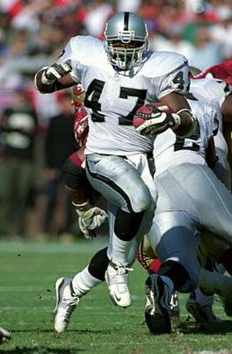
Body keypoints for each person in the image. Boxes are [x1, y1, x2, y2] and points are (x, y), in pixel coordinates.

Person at [34, 11, 198, 332]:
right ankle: (119, 270)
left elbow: (185, 116)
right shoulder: (86, 55)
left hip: (141, 161)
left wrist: (171, 120)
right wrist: (50, 72)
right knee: (137, 201)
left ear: (145, 43)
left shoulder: (160, 66)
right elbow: (43, 85)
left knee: (122, 239)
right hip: (102, 155)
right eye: (118, 45)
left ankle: (72, 289)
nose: (124, 51)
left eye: (132, 45)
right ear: (105, 43)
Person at [136, 96, 232, 334]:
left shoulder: (144, 109)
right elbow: (211, 157)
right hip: (194, 173)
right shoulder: (205, 106)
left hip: (159, 191)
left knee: (180, 264)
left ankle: (164, 284)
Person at [0, 85, 38, 237]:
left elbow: (33, 134)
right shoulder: (8, 111)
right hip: (9, 158)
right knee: (6, 194)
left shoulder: (31, 112)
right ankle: (2, 229)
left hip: (25, 159)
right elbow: (2, 129)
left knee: (23, 195)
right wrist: (20, 130)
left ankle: (19, 230)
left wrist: (13, 128)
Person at [42, 91, 78, 237]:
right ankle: (45, 230)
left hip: (70, 166)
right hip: (55, 165)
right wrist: (49, 167)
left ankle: (66, 231)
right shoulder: (54, 121)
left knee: (70, 201)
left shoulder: (76, 121)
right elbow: (47, 145)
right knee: (51, 198)